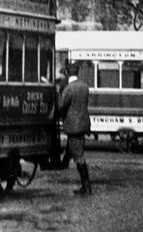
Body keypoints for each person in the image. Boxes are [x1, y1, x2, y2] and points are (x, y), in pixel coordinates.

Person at [58, 61, 92, 195]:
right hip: (83, 124)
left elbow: (61, 106)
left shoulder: (68, 89)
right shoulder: (84, 87)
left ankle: (86, 186)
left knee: (79, 156)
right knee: (76, 151)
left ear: (67, 73)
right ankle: (65, 161)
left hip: (73, 126)